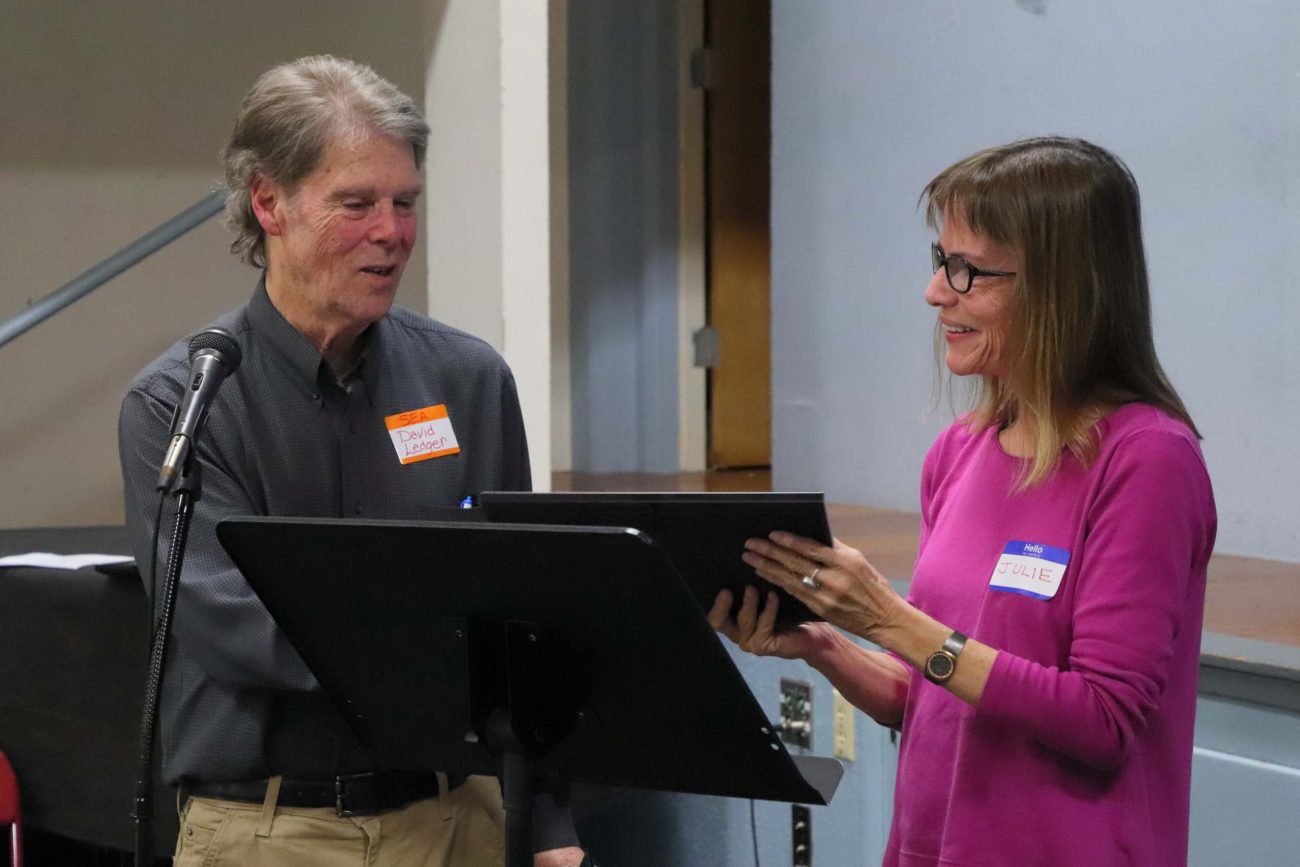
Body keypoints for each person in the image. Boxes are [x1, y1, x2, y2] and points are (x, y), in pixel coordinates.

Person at [118, 55, 585, 867]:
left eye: (405, 203)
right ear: (269, 202)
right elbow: (237, 629)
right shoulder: (181, 404)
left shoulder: (467, 382)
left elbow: (526, 615)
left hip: (456, 822)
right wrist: (444, 644)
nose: (391, 232)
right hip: (269, 834)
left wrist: (548, 826)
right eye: (357, 203)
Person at [710, 137, 1216, 866]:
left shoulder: (1147, 459)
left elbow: (1103, 719)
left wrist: (890, 617)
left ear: (1061, 288)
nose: (936, 291)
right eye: (939, 260)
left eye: (967, 271)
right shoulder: (961, 451)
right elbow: (934, 697)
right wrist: (824, 641)